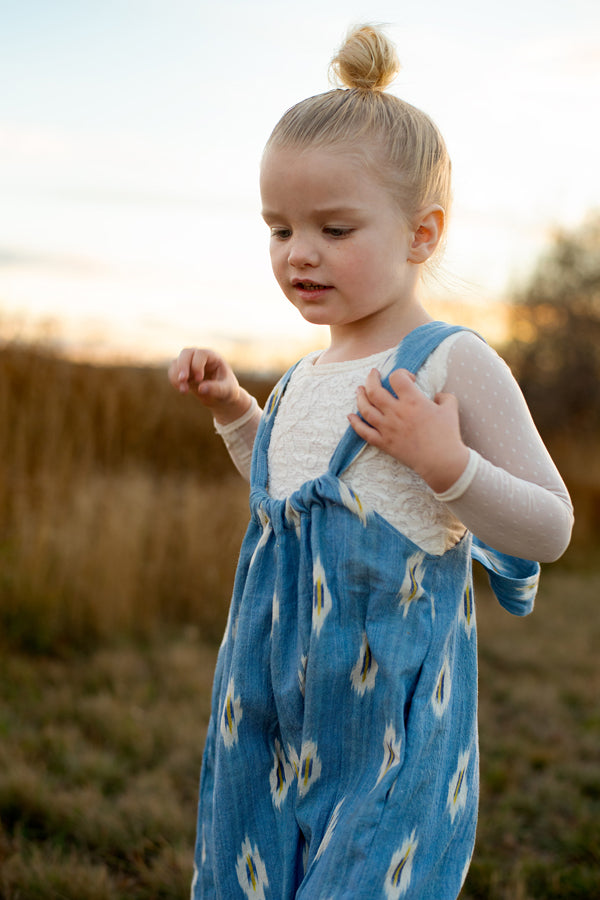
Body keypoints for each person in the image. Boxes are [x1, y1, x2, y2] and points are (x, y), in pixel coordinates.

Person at [169, 24, 573, 900]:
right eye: (279, 228)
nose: (298, 252)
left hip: (385, 721)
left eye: (333, 227)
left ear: (422, 234)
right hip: (266, 706)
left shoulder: (449, 363)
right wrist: (239, 411)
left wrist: (448, 464)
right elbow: (292, 504)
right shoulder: (305, 375)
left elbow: (550, 526)